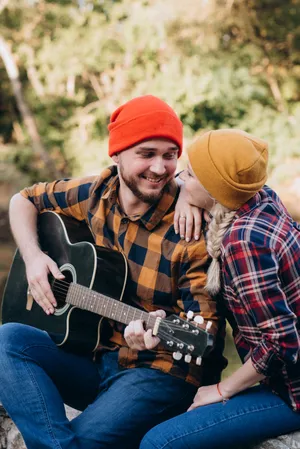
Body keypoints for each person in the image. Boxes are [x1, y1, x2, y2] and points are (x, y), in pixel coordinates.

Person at [0, 96, 226, 449]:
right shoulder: (96, 193)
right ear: (117, 154)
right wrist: (33, 258)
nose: (160, 167)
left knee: (84, 441)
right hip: (98, 355)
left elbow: (206, 334)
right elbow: (24, 199)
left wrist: (156, 331)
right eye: (146, 153)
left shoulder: (190, 231)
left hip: (160, 371)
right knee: (8, 339)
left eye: (170, 155)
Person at [140, 129, 300, 449]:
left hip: (291, 390)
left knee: (159, 442)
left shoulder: (243, 242)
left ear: (213, 189)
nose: (182, 180)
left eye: (190, 175)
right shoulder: (260, 197)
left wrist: (222, 389)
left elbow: (281, 342)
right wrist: (189, 196)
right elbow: (217, 184)